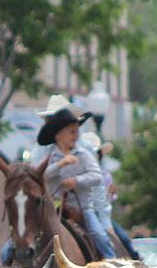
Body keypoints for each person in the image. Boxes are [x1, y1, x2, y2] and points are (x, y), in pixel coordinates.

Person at [39, 107, 117, 259]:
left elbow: (97, 177)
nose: (76, 136)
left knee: (98, 234)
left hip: (82, 209)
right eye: (72, 132)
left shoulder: (84, 155)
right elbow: (42, 175)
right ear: (59, 135)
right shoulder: (49, 156)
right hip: (53, 208)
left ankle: (113, 264)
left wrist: (77, 181)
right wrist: (60, 164)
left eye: (76, 131)